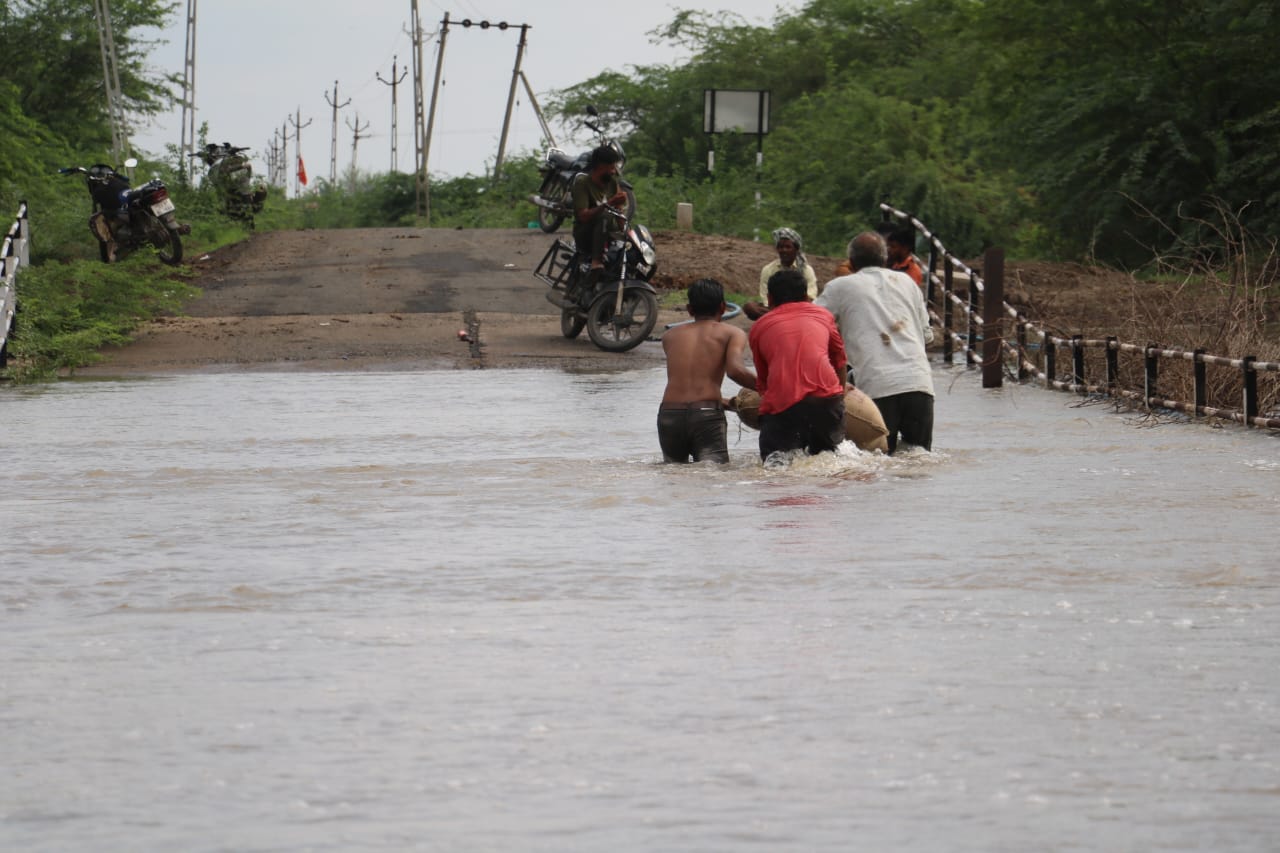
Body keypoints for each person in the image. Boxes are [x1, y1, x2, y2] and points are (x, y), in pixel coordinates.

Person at [817, 231, 935, 454]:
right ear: (884, 259)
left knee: (875, 464)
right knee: (919, 460)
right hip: (920, 384)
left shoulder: (840, 287)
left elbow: (811, 325)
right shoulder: (908, 283)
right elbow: (927, 336)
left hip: (877, 385)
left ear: (851, 262)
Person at [747, 268, 848, 461]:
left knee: (775, 465)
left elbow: (764, 383)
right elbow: (840, 361)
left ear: (769, 298)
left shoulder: (759, 327)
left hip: (784, 404)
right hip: (826, 401)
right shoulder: (824, 316)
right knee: (828, 461)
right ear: (806, 296)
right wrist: (840, 400)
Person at [657, 279, 758, 464]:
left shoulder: (669, 336)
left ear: (690, 309)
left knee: (673, 475)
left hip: (669, 414)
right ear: (723, 307)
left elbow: (690, 386)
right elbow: (735, 371)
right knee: (712, 476)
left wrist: (728, 403)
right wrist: (768, 389)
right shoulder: (732, 333)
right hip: (706, 415)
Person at [571, 144, 630, 275]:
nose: (614, 171)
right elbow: (583, 216)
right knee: (606, 215)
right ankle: (596, 261)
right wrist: (609, 203)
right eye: (611, 167)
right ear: (601, 167)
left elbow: (619, 213)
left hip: (607, 234)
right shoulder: (582, 183)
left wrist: (628, 233)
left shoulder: (612, 183)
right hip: (585, 235)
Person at [742, 227, 819, 320]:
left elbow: (810, 297)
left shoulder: (806, 270)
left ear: (796, 249)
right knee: (750, 307)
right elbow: (765, 297)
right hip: (774, 308)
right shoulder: (768, 269)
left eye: (788, 247)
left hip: (799, 309)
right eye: (780, 247)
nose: (784, 250)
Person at [886, 224, 925, 291]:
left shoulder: (912, 270)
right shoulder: (896, 265)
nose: (889, 250)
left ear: (905, 248)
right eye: (888, 246)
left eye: (893, 247)